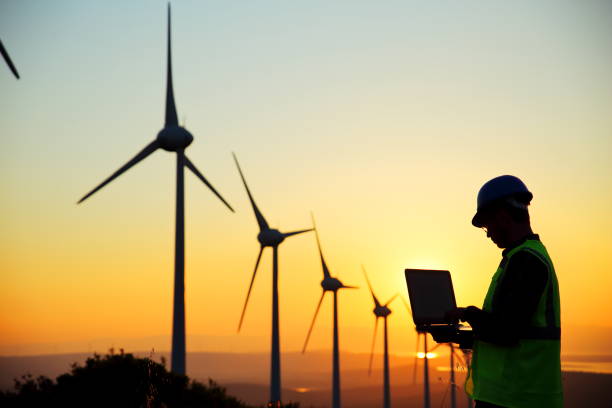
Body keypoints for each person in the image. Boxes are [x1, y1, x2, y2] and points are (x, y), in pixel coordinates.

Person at [431, 175, 562, 408]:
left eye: (486, 225)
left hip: (517, 397)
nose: (488, 233)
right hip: (515, 395)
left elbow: (506, 332)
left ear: (502, 217)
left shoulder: (526, 261)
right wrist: (460, 336)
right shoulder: (523, 257)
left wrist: (468, 314)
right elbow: (514, 330)